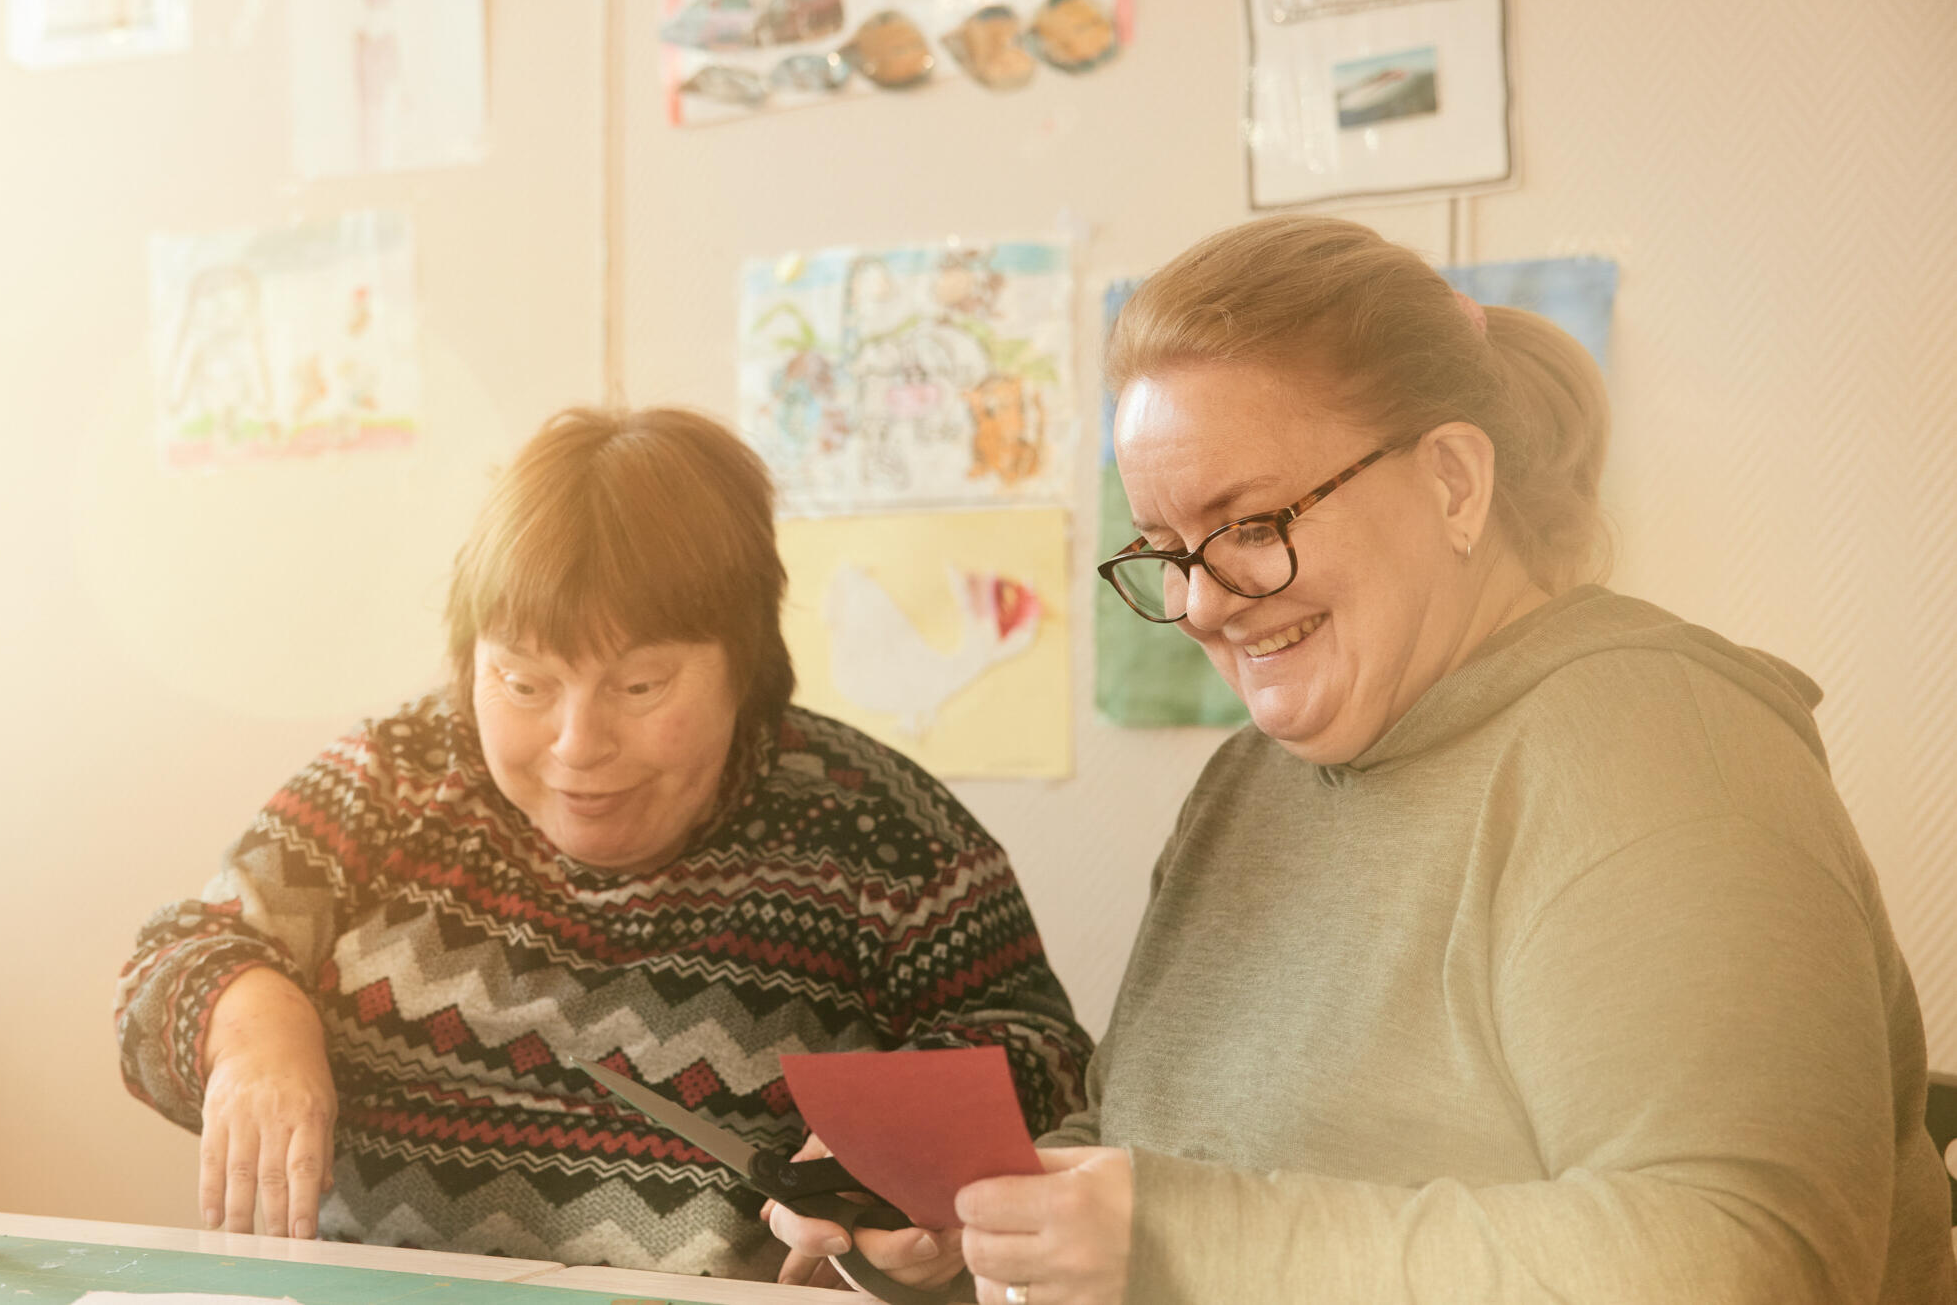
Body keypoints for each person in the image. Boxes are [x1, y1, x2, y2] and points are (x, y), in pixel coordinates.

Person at [769, 215, 1957, 1302]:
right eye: (1167, 549)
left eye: (1249, 527)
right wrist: (976, 1227)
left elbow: (1740, 1261)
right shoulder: (1250, 785)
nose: (1195, 604)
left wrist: (1175, 1238)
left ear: (1452, 480)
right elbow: (1150, 1148)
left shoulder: (1661, 753)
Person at [116, 406, 1093, 1276]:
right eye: (524, 683)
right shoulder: (394, 773)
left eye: (638, 687)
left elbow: (1043, 1056)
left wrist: (894, 1156)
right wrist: (254, 1032)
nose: (578, 746)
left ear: (744, 661)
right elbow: (181, 953)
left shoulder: (883, 834)